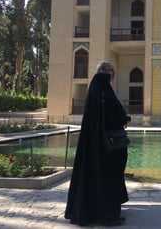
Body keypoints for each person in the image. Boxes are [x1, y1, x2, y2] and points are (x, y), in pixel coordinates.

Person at [65, 61, 130, 226]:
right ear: (103, 72)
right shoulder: (105, 93)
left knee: (96, 177)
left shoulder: (94, 91)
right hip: (108, 147)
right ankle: (107, 216)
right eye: (111, 72)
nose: (112, 76)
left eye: (114, 73)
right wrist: (125, 119)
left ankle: (92, 212)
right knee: (108, 178)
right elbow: (118, 116)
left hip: (96, 145)